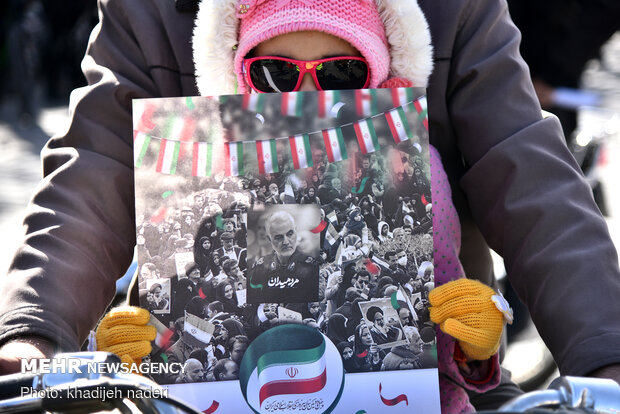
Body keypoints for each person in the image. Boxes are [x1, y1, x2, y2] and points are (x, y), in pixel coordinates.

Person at [0, 0, 619, 411]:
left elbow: (527, 171)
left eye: (344, 74)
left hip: (425, 375)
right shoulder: (151, 8)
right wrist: (34, 333)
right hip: (198, 382)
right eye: (272, 75)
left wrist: (606, 352)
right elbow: (95, 165)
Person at [247, 211, 319, 303]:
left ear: (296, 232)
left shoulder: (311, 268)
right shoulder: (259, 269)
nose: (286, 242)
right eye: (279, 237)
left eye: (290, 234)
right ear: (269, 239)